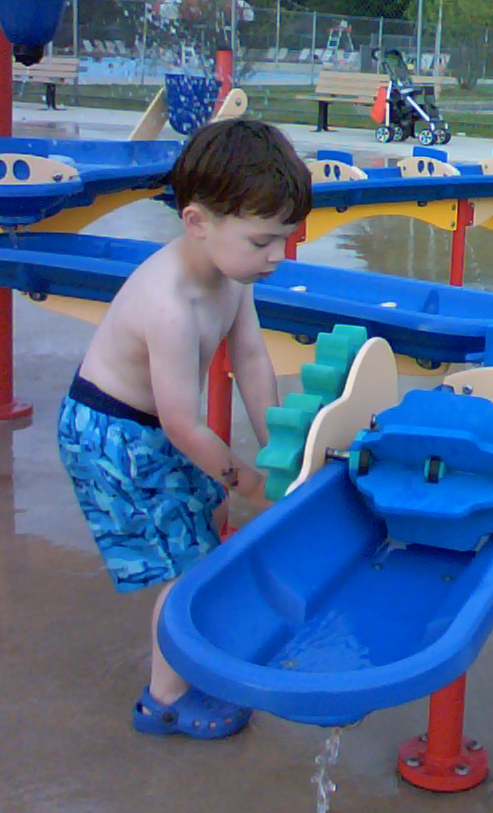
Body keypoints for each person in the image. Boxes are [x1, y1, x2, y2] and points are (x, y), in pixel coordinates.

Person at [58, 117, 312, 740]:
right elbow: (181, 425)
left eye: (285, 237)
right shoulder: (169, 305)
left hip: (157, 429)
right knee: (183, 563)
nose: (278, 256)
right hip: (113, 435)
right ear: (198, 221)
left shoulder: (232, 273)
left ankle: (190, 651)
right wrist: (247, 479)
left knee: (197, 527)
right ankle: (164, 697)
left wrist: (281, 444)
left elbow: (251, 360)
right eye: (263, 241)